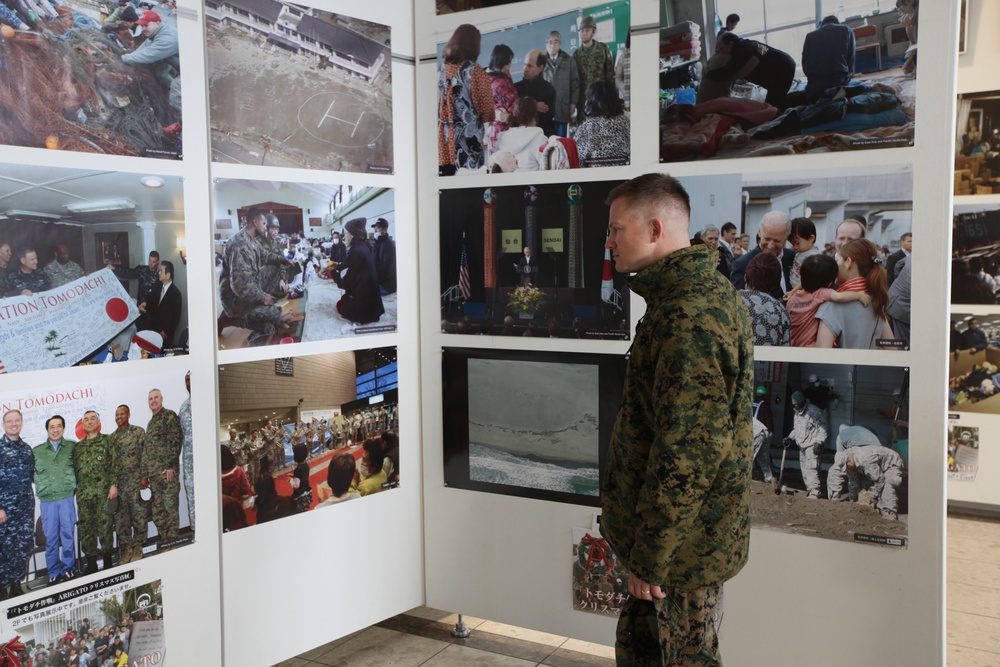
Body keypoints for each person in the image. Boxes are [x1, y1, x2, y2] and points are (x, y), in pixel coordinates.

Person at [599, 174, 753, 665]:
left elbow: (687, 453)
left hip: (678, 560)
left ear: (655, 228)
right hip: (677, 552)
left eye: (616, 229)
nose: (609, 241)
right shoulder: (686, 298)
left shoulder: (689, 314)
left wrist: (651, 558)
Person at [220, 208, 298, 345]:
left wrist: (283, 260)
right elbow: (240, 287)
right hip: (237, 302)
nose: (265, 227)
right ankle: (231, 318)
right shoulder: (240, 245)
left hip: (247, 292)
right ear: (255, 222)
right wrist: (263, 297)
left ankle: (264, 310)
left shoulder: (252, 240)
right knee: (274, 317)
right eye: (264, 224)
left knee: (275, 267)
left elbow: (266, 256)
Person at [438, 24, 495, 175]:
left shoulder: (443, 68)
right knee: (470, 189)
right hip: (468, 142)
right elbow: (486, 109)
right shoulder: (474, 71)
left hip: (444, 141)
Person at [816, 239, 894, 349]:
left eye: (837, 261)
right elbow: (892, 348)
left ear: (848, 262)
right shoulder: (876, 301)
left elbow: (820, 360)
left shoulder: (830, 308)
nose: (835, 266)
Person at [787, 254, 870, 347]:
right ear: (829, 283)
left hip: (792, 345)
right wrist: (858, 295)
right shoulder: (821, 293)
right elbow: (839, 297)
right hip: (809, 347)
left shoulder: (792, 299)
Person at [33, 416, 78, 585]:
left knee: (67, 534)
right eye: (52, 427)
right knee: (51, 538)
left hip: (66, 498)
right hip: (48, 501)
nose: (55, 429)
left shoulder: (72, 447)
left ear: (64, 429)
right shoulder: (37, 451)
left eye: (59, 426)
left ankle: (68, 569)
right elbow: (32, 475)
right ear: (47, 430)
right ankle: (53, 571)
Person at [74, 411, 120, 574]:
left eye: (93, 418)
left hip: (103, 494)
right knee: (86, 530)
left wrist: (114, 485)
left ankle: (108, 560)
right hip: (84, 496)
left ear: (98, 422)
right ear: (83, 424)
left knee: (105, 527)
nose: (89, 422)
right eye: (86, 420)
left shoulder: (108, 441)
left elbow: (115, 463)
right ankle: (91, 563)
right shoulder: (78, 447)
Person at [708, 32, 796, 110]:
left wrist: (708, 74)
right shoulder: (744, 46)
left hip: (784, 68)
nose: (719, 51)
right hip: (782, 67)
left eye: (721, 48)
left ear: (731, 44)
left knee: (773, 105)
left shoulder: (743, 49)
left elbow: (728, 71)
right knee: (774, 102)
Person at [144, 389, 182, 547]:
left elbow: (175, 440)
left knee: (169, 508)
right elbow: (149, 450)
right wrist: (146, 474)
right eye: (150, 399)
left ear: (161, 399)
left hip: (167, 473)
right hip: (155, 475)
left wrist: (170, 466)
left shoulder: (169, 416)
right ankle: (165, 540)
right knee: (158, 511)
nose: (153, 401)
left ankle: (172, 542)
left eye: (156, 398)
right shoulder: (151, 423)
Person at [109, 405, 147, 564]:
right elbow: (110, 463)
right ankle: (127, 549)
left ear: (128, 414)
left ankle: (138, 546)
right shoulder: (111, 438)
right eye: (117, 414)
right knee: (121, 519)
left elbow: (145, 455)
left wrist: (144, 476)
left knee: (138, 515)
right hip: (119, 485)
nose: (119, 416)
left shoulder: (138, 432)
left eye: (122, 413)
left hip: (136, 481)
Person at [827, 445, 905, 519]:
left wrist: (873, 497)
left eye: (847, 468)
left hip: (891, 464)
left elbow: (880, 479)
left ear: (849, 461)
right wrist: (852, 501)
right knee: (864, 486)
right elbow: (853, 482)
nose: (847, 470)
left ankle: (889, 512)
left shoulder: (866, 461)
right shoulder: (846, 458)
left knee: (887, 484)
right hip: (875, 466)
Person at [729, 211, 794, 297]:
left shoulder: (794, 259)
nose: (770, 246)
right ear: (759, 233)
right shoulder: (742, 264)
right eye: (767, 239)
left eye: (777, 241)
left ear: (787, 238)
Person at [333, 217, 385, 324]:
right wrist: (338, 268)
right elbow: (351, 267)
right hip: (373, 304)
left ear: (352, 235)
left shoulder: (355, 251)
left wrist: (333, 273)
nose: (344, 237)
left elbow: (346, 283)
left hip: (365, 310)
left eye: (346, 234)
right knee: (343, 299)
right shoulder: (362, 247)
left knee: (340, 305)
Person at [738, 253, 790, 346]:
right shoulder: (779, 310)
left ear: (745, 277)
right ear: (774, 286)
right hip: (766, 359)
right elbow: (784, 351)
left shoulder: (729, 299)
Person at [574, 81, 630, 168]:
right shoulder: (627, 122)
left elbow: (578, 159)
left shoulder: (587, 127)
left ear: (591, 101)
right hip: (629, 177)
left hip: (597, 178)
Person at [802, 16, 856, 101]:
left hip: (814, 90)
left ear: (822, 24)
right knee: (860, 86)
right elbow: (851, 60)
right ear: (837, 23)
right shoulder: (846, 30)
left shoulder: (810, 36)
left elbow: (805, 64)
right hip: (839, 84)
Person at [573, 15, 615, 119]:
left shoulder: (603, 49)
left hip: (600, 97)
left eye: (587, 30)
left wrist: (611, 97)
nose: (584, 33)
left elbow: (609, 74)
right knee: (584, 128)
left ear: (594, 32)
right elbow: (574, 80)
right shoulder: (576, 54)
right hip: (583, 99)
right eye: (581, 31)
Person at [542, 31, 580, 137]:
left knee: (561, 142)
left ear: (560, 44)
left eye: (556, 42)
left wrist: (573, 103)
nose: (553, 45)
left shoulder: (569, 61)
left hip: (562, 107)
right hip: (545, 110)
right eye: (550, 42)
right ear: (546, 45)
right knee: (546, 144)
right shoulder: (541, 62)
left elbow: (575, 83)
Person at [493, 97, 547, 172]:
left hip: (509, 182)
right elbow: (547, 170)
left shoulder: (501, 138)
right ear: (535, 116)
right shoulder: (540, 139)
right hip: (531, 182)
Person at [139, 260, 182, 348]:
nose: (158, 273)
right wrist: (145, 303)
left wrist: (166, 331)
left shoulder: (176, 294)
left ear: (168, 275)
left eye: (161, 271)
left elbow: (176, 317)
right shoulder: (158, 286)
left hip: (164, 335)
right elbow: (151, 299)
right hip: (152, 329)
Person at [484, 43, 519, 152]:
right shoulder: (497, 84)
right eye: (508, 63)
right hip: (502, 133)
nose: (510, 66)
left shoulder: (497, 73)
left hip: (498, 129)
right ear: (500, 63)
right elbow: (514, 107)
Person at [515, 49, 556, 136]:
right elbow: (514, 114)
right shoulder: (516, 88)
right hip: (519, 137)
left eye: (529, 66)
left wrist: (523, 106)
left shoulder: (548, 90)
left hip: (542, 138)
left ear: (540, 68)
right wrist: (533, 105)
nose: (525, 69)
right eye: (525, 64)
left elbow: (542, 120)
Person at [786, 217, 821, 293]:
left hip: (802, 291)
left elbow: (807, 279)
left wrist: (793, 291)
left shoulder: (812, 257)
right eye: (792, 244)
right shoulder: (803, 251)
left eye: (797, 243)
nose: (795, 247)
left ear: (811, 238)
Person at [179, 371, 194, 532]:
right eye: (187, 380)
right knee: (192, 499)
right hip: (190, 466)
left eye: (191, 379)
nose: (189, 383)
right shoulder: (183, 408)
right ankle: (196, 531)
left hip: (207, 462)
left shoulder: (209, 402)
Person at [887, 255, 911, 348]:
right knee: (903, 346)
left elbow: (899, 265)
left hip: (895, 297)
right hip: (901, 306)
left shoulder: (914, 255)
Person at [371, 218, 397, 296]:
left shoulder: (389, 245)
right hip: (378, 281)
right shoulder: (377, 244)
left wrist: (372, 280)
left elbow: (386, 269)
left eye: (378, 228)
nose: (375, 230)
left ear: (385, 229)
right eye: (375, 228)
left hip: (386, 285)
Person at [289, 444, 312, 513]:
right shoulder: (306, 465)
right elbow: (302, 477)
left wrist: (290, 480)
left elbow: (296, 486)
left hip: (300, 494)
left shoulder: (298, 469)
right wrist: (294, 476)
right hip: (307, 490)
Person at [752, 417, 773, 483]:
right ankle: (769, 478)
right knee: (764, 459)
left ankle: (743, 478)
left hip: (758, 434)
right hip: (765, 432)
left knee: (748, 458)